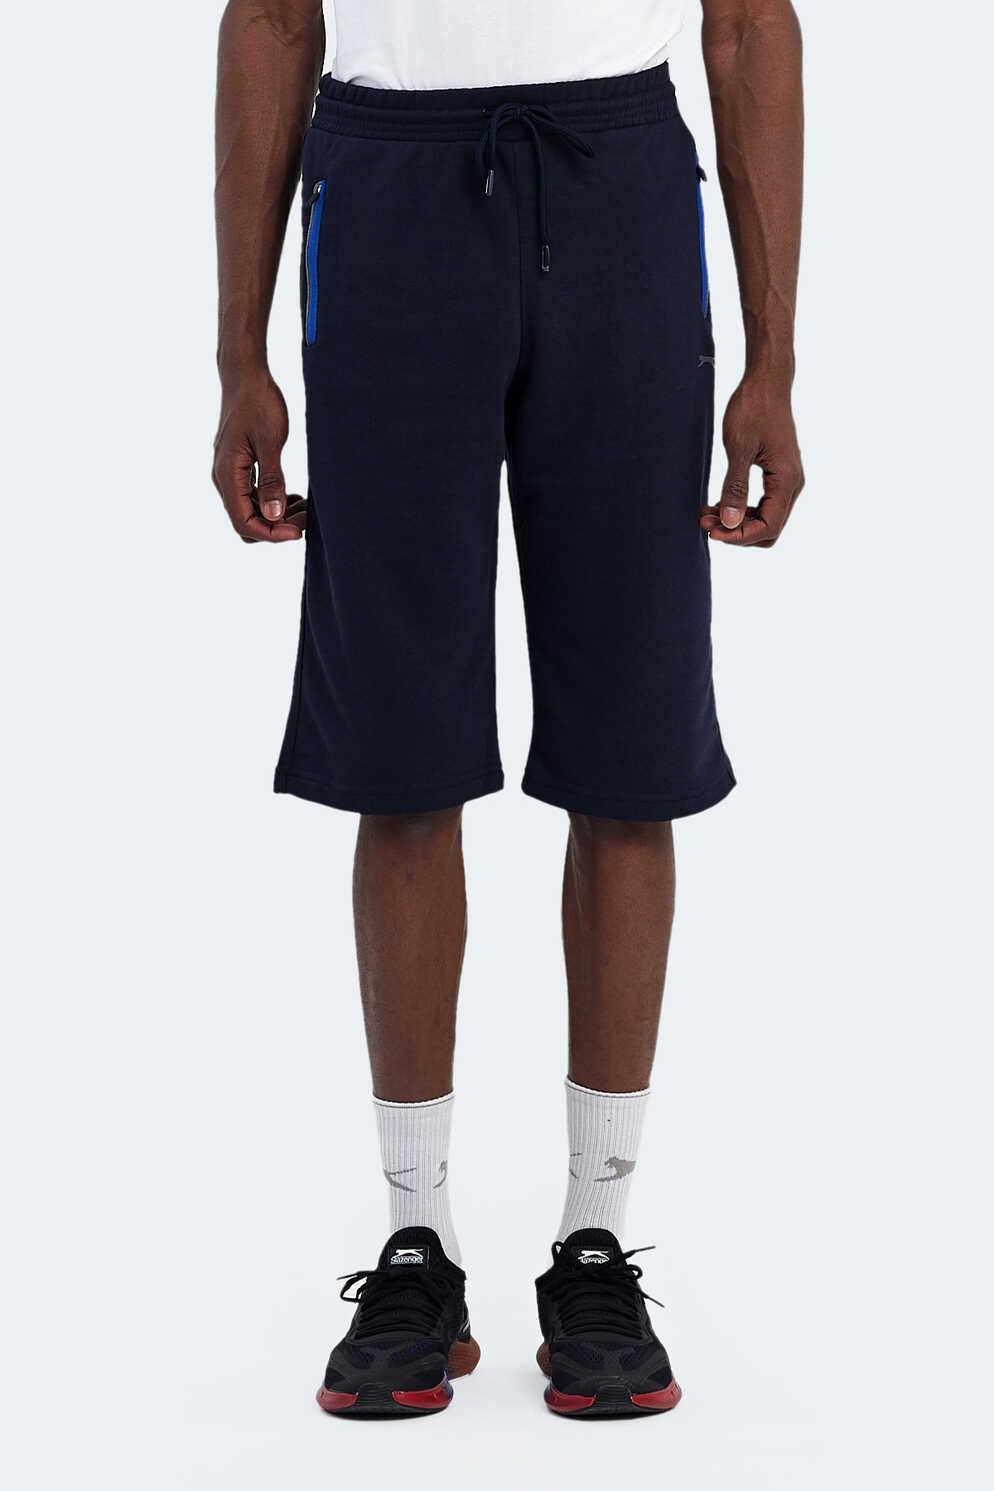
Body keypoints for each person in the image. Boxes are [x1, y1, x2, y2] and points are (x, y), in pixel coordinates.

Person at [212, 0, 804, 1420]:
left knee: (632, 746)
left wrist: (773, 360)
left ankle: (594, 1240)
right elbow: (273, 21)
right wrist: (239, 354)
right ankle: (417, 1241)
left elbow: (745, 28)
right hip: (388, 193)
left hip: (619, 186)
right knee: (400, 750)